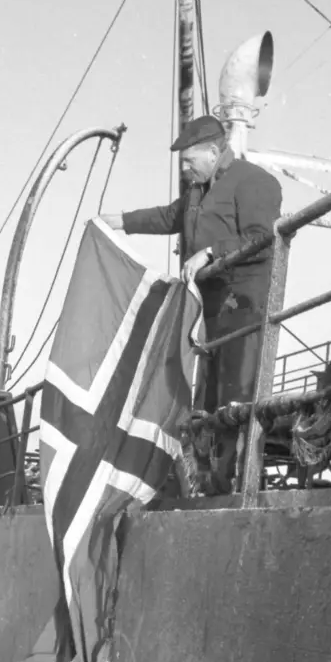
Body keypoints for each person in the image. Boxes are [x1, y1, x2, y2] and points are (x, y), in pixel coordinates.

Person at [103, 114, 282, 493]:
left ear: (215, 152)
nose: (184, 170)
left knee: (238, 393)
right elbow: (172, 216)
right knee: (209, 398)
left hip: (244, 305)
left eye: (189, 161)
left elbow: (263, 237)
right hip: (209, 310)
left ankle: (235, 483)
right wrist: (119, 221)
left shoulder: (254, 182)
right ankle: (209, 483)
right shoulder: (198, 191)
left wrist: (210, 252)